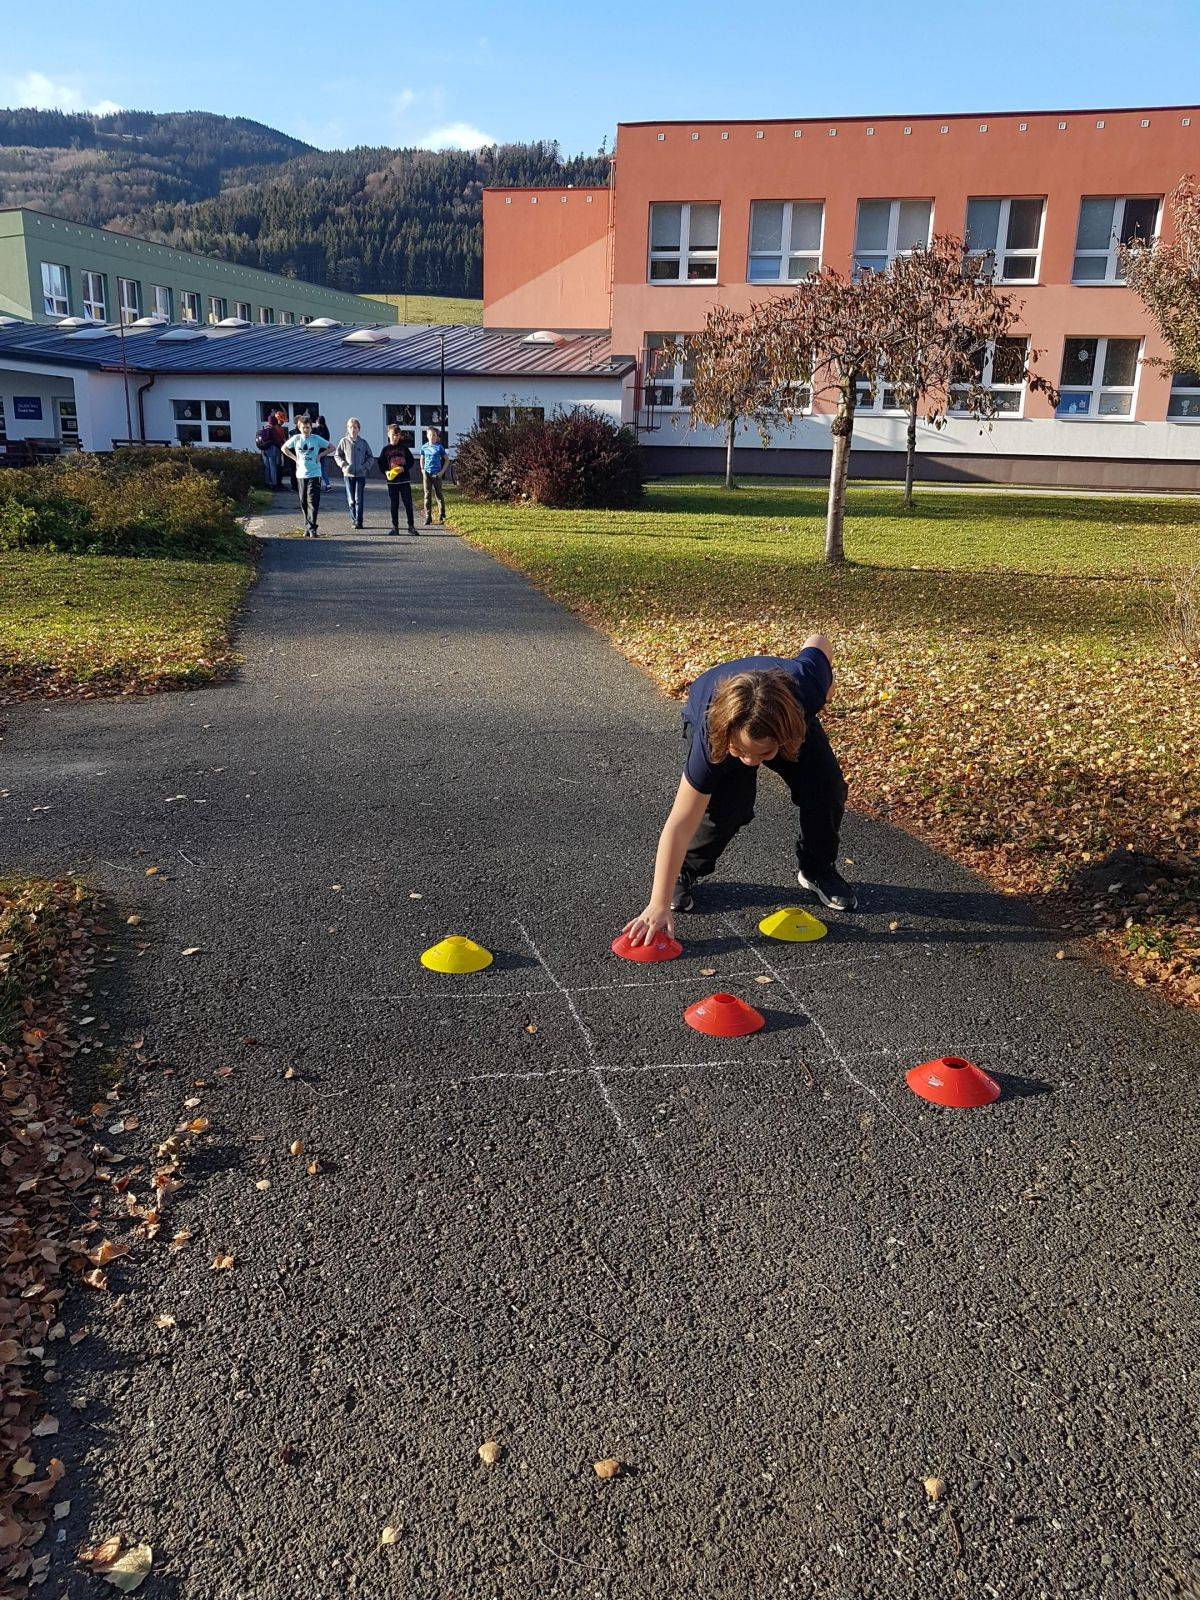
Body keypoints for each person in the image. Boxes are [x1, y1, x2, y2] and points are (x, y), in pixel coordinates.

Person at [622, 635, 856, 947]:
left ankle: (817, 869)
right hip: (716, 712)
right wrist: (657, 903)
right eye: (742, 752)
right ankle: (684, 870)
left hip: (785, 711)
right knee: (730, 806)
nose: (751, 762)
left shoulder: (808, 683)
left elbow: (819, 641)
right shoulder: (711, 741)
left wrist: (830, 686)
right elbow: (679, 822)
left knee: (826, 786)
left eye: (763, 754)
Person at [281, 414, 333, 537]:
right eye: (303, 427)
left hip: (314, 473)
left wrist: (320, 455)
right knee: (303, 501)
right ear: (299, 428)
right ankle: (307, 526)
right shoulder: (296, 439)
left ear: (311, 427)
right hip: (301, 474)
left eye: (308, 427)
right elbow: (284, 448)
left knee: (312, 501)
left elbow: (332, 447)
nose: (306, 430)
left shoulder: (316, 439)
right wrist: (295, 458)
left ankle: (312, 527)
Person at [334, 418, 374, 529]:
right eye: (350, 427)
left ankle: (359, 521)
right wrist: (343, 465)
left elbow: (370, 457)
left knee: (358, 499)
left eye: (355, 427)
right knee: (351, 500)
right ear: (347, 428)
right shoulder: (344, 441)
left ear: (358, 429)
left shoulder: (363, 442)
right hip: (348, 475)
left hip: (360, 475)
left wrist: (364, 467)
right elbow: (337, 455)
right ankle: (353, 520)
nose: (352, 429)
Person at [377, 423, 417, 536]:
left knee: (408, 503)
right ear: (388, 435)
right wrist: (386, 472)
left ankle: (411, 526)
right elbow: (381, 464)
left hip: (404, 480)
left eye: (397, 435)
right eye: (393, 435)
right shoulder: (385, 450)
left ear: (400, 436)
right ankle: (395, 527)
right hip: (392, 482)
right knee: (394, 504)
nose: (395, 437)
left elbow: (411, 461)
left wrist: (404, 468)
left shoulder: (404, 448)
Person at [419, 426, 447, 526]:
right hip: (427, 473)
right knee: (427, 495)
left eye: (434, 435)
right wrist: (422, 469)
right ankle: (428, 516)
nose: (432, 437)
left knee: (438, 495)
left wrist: (442, 472)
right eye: (430, 435)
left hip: (436, 474)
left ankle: (442, 515)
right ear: (427, 435)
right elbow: (422, 458)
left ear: (437, 436)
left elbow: (447, 460)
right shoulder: (424, 447)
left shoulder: (439, 447)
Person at [255, 412, 283, 490]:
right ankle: (274, 484)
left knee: (266, 467)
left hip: (263, 449)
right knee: (273, 467)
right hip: (272, 449)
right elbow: (277, 440)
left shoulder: (264, 429)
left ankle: (267, 483)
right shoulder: (273, 430)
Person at [275, 410, 297, 492]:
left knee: (280, 467)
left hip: (281, 449)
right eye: (281, 420)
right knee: (279, 467)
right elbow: (281, 440)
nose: (283, 422)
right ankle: (278, 484)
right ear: (277, 419)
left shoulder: (279, 428)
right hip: (279, 450)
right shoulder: (277, 428)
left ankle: (279, 483)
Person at [314, 415, 332, 490]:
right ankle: (328, 485)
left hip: (316, 452)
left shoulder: (316, 430)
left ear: (317, 422)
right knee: (323, 469)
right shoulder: (326, 430)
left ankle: (317, 485)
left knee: (316, 469)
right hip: (324, 452)